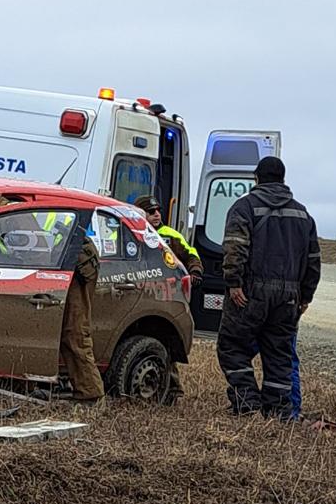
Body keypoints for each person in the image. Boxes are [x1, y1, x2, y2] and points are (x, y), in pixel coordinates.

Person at [217, 156, 321, 419]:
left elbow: (235, 247)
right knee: (279, 355)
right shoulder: (303, 214)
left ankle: (247, 403)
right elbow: (313, 260)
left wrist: (234, 283)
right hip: (289, 297)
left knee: (232, 347)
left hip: (251, 293)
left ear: (257, 178)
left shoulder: (244, 207)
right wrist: (306, 296)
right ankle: (277, 411)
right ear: (283, 179)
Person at [134, 195, 202, 404]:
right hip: (139, 294)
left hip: (167, 294)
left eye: (158, 211)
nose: (157, 215)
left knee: (164, 342)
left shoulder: (171, 236)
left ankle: (172, 390)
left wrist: (195, 271)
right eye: (151, 212)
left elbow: (191, 254)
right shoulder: (131, 233)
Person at [62, 234, 105, 404]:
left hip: (76, 268)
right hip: (74, 263)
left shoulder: (72, 229)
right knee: (75, 337)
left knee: (75, 336)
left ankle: (91, 395)